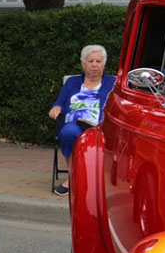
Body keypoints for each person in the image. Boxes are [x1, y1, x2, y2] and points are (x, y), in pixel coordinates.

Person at [49, 44, 116, 196]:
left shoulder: (112, 83)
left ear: (103, 64)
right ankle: (74, 177)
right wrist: (56, 108)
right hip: (74, 125)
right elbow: (59, 102)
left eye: (98, 61)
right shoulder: (72, 82)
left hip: (100, 127)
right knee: (67, 132)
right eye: (90, 61)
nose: (94, 65)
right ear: (83, 64)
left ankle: (91, 177)